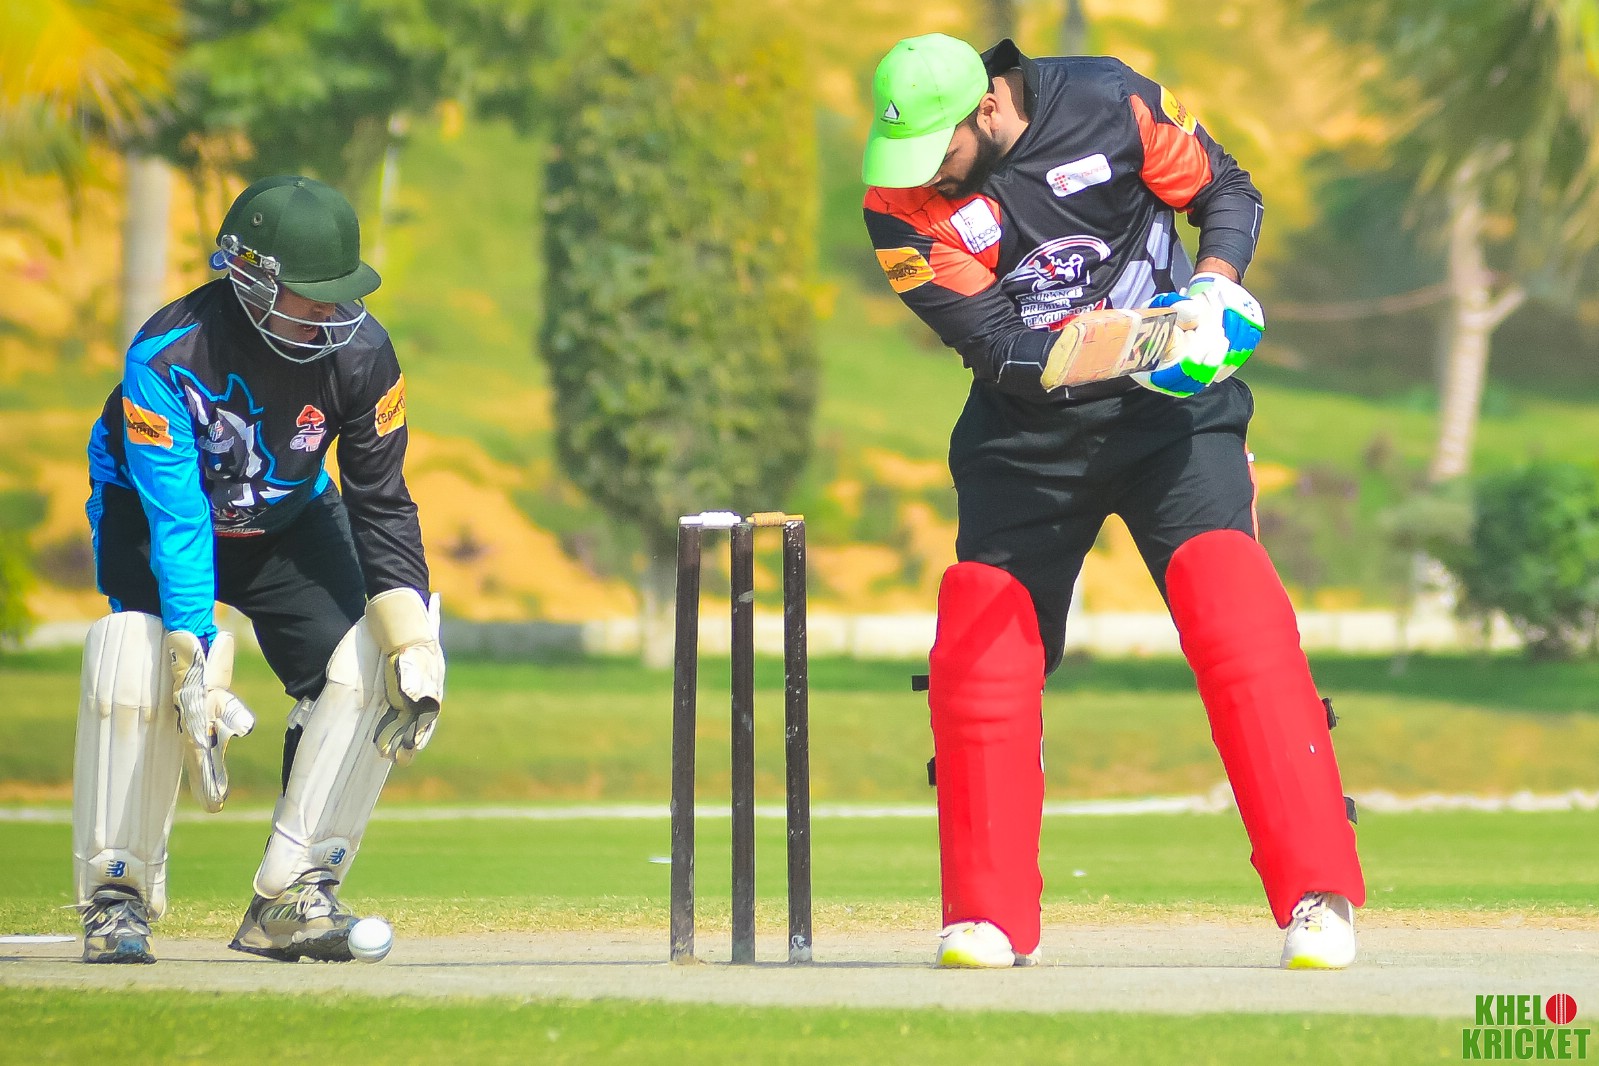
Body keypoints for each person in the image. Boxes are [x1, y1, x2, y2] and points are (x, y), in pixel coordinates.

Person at [862, 34, 1365, 969]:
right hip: (1025, 435)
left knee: (1234, 610)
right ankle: (985, 917)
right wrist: (1148, 340)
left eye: (938, 149)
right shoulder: (897, 207)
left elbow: (1226, 191)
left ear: (987, 107)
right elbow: (1000, 349)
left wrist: (1211, 288)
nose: (921, 173)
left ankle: (1317, 899)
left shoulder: (1108, 101)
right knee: (983, 643)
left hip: (1173, 422)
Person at [73, 175, 445, 964]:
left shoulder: (364, 353)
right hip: (154, 516)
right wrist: (195, 652)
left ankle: (293, 895)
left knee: (371, 663)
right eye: (311, 297)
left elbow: (381, 499)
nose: (329, 316)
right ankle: (115, 898)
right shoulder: (167, 357)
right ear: (249, 277)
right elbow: (178, 519)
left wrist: (413, 631)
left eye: (340, 296)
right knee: (142, 661)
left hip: (286, 520)